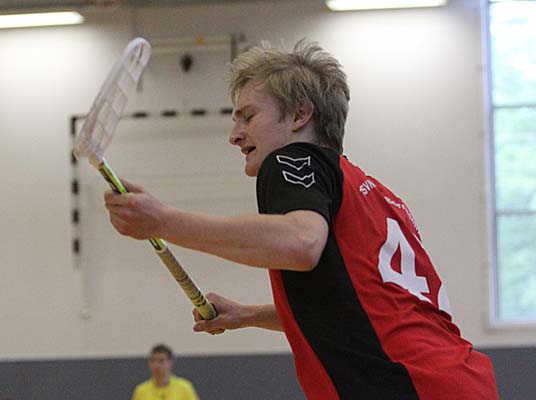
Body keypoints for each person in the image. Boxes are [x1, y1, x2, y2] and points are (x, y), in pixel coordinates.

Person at [105, 41, 499, 399]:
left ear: (299, 115)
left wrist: (163, 221)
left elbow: (300, 244)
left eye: (247, 117)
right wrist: (249, 315)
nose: (234, 135)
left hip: (409, 386)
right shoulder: (373, 192)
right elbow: (362, 308)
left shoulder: (291, 158)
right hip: (456, 379)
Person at [131, 343, 199, 400]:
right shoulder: (141, 391)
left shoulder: (184, 388)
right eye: (153, 360)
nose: (156, 365)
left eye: (161, 361)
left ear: (170, 362)